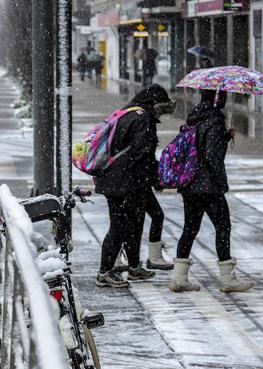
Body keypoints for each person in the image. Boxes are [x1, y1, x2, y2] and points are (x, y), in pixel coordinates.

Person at [170, 90, 254, 293]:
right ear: (218, 99)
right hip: (208, 187)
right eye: (223, 96)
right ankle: (227, 278)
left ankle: (179, 277)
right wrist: (221, 184)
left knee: (190, 229)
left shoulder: (196, 117)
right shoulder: (214, 121)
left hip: (190, 184)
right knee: (223, 227)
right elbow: (212, 157)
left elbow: (200, 147)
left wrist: (224, 138)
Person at [94, 84, 174, 288]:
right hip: (124, 183)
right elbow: (142, 155)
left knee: (134, 223)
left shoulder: (127, 113)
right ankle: (104, 272)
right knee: (119, 227)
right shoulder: (142, 119)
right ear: (154, 104)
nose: (161, 114)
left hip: (122, 180)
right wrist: (155, 180)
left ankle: (134, 266)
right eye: (161, 108)